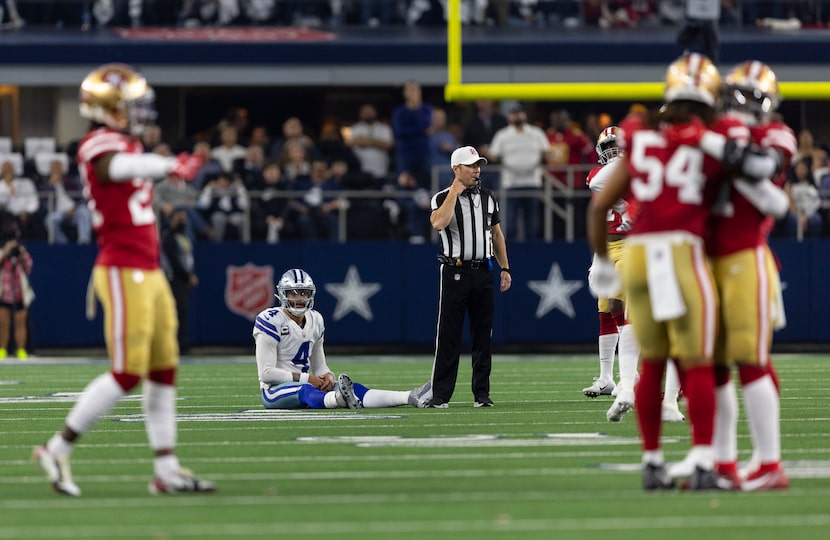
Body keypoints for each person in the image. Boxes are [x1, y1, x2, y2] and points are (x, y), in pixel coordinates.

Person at [33, 63, 215, 497]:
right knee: (127, 372)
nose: (138, 111)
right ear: (109, 108)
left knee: (163, 369)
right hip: (120, 268)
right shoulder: (99, 144)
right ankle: (57, 448)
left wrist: (163, 162)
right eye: (130, 104)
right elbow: (117, 167)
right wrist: (170, 163)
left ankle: (166, 469)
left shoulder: (127, 143)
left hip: (149, 269)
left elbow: (132, 161)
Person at [586, 53, 747, 490]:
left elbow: (600, 204)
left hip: (639, 253)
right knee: (697, 358)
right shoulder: (712, 138)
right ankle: (701, 458)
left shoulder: (640, 136)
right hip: (683, 252)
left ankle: (653, 459)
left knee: (650, 360)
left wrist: (601, 259)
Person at [672, 60, 794, 490]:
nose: (741, 104)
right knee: (715, 364)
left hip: (745, 257)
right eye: (735, 94)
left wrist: (709, 143)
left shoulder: (772, 135)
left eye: (751, 96)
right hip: (706, 258)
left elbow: (763, 173)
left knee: (751, 359)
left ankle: (769, 462)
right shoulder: (713, 131)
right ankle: (722, 463)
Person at [583, 126, 685, 424]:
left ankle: (667, 390)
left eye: (618, 145)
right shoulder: (603, 173)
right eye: (609, 146)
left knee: (662, 320)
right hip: (609, 247)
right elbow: (600, 184)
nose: (613, 150)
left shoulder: (643, 172)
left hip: (637, 247)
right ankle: (623, 381)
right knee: (610, 306)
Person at [254, 268, 432, 410]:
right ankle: (338, 400)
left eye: (304, 293)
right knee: (306, 390)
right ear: (283, 294)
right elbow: (267, 374)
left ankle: (409, 396)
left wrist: (327, 377)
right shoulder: (270, 320)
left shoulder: (316, 319)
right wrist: (308, 379)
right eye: (293, 293)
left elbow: (319, 366)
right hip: (274, 391)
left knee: (355, 388)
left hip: (306, 383)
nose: (300, 298)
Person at [427, 146, 512, 408]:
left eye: (478, 165)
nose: (477, 169)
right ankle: (441, 396)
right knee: (449, 335)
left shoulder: (488, 197)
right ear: (456, 169)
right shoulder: (442, 197)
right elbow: (439, 223)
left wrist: (505, 268)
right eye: (471, 165)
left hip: (484, 272)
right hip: (455, 271)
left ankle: (482, 394)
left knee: (483, 335)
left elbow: (496, 234)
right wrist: (455, 190)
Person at [488, 104, 550, 242]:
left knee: (532, 224)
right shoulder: (502, 135)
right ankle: (511, 254)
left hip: (532, 182)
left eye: (519, 113)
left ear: (524, 114)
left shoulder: (536, 133)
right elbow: (493, 154)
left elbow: (547, 151)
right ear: (509, 116)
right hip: (511, 183)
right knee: (509, 223)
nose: (517, 116)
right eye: (514, 113)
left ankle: (532, 253)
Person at [161, 209, 198, 355]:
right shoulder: (168, 237)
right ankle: (176, 345)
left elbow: (186, 259)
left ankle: (181, 344)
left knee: (182, 313)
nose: (182, 220)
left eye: (184, 217)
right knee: (175, 313)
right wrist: (187, 275)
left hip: (182, 280)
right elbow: (173, 261)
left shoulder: (183, 237)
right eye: (179, 217)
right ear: (171, 219)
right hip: (173, 280)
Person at [0, 221, 33, 360]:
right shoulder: (2, 252)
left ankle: (21, 350)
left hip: (20, 293)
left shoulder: (21, 254)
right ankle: (2, 350)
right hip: (4, 293)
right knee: (3, 323)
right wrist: (6, 251)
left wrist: (23, 255)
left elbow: (28, 269)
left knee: (20, 323)